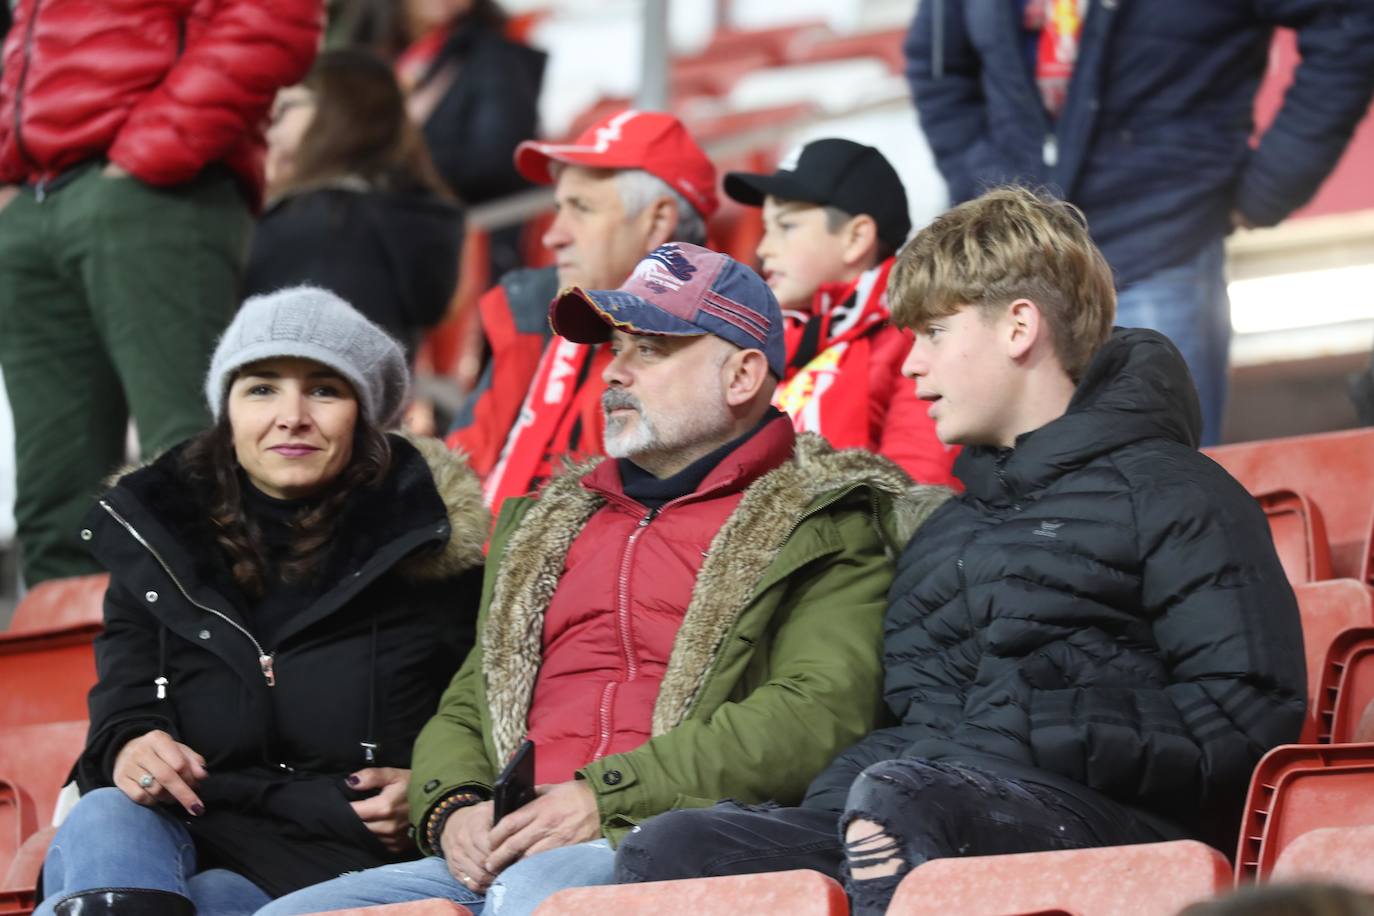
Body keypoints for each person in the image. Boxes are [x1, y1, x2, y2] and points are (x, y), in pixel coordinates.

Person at [614, 187, 1307, 916]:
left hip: (1121, 832)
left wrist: (1036, 730)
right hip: (932, 805)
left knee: (905, 800)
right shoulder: (944, 531)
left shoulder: (1178, 492)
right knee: (672, 847)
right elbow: (913, 725)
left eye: (933, 334)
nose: (913, 369)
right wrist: (841, 794)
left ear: (1018, 327)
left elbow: (1244, 713)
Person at [257, 243, 951, 916]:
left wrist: (603, 796)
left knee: (538, 901)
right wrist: (454, 806)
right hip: (501, 850)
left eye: (650, 349)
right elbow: (470, 702)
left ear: (742, 376)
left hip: (663, 839)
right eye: (615, 349)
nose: (615, 372)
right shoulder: (546, 525)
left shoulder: (825, 517)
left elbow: (816, 710)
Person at [36, 288, 489, 916]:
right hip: (195, 828)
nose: (292, 416)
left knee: (204, 898)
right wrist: (132, 745)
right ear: (228, 410)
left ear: (364, 414)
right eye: (262, 388)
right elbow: (122, 708)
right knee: (109, 815)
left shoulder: (433, 554)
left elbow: (488, 722)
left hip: (344, 857)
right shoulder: (158, 544)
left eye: (325, 390)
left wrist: (437, 789)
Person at [905, 1, 1374, 445]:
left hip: (1157, 243)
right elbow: (938, 64)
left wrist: (1272, 183)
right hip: (1011, 267)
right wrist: (983, 183)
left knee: (1164, 476)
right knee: (1018, 487)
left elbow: (1347, 25)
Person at [0, 0, 321, 587]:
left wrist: (151, 153)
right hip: (38, 197)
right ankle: (71, 674)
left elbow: (276, 17)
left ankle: (217, 664)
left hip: (151, 186)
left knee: (188, 461)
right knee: (52, 492)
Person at [446, 109, 717, 510]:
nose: (554, 235)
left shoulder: (703, 360)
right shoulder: (529, 313)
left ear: (657, 220)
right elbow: (459, 471)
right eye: (559, 208)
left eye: (582, 209)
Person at [724, 137, 957, 485]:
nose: (763, 248)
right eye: (766, 228)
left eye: (786, 227)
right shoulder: (764, 341)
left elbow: (916, 496)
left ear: (856, 238)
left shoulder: (915, 337)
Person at [245, 48, 464, 364]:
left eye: (285, 110)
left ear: (338, 110)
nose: (270, 129)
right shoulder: (400, 215)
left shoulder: (324, 225)